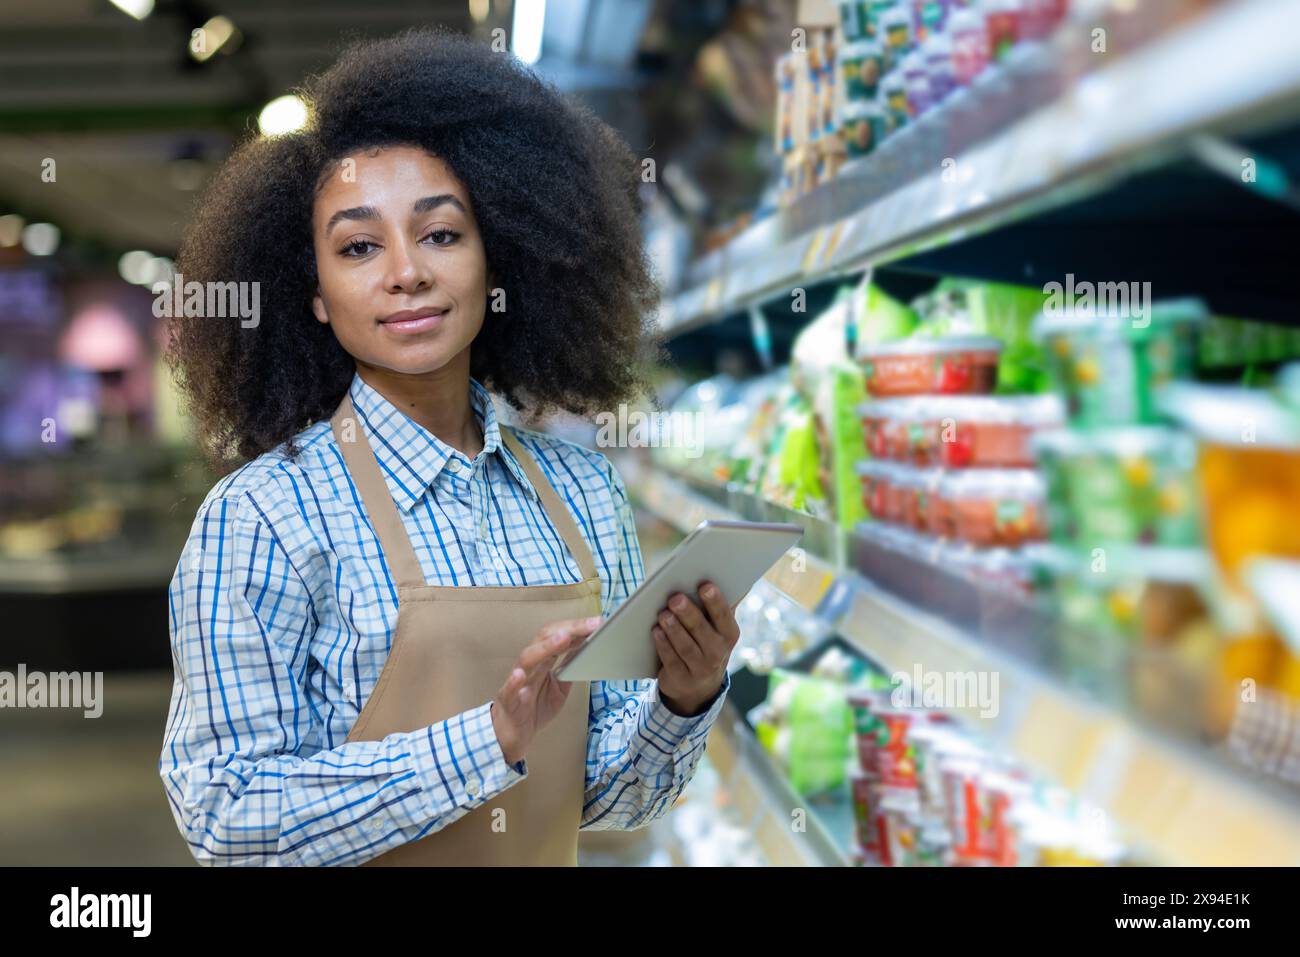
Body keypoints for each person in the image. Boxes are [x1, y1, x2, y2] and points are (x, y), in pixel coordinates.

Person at [159, 27, 738, 866]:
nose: (407, 273)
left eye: (440, 234)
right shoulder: (262, 518)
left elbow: (606, 797)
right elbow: (225, 816)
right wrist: (486, 742)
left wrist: (684, 698)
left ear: (496, 259)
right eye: (359, 247)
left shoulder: (582, 493)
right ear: (314, 295)